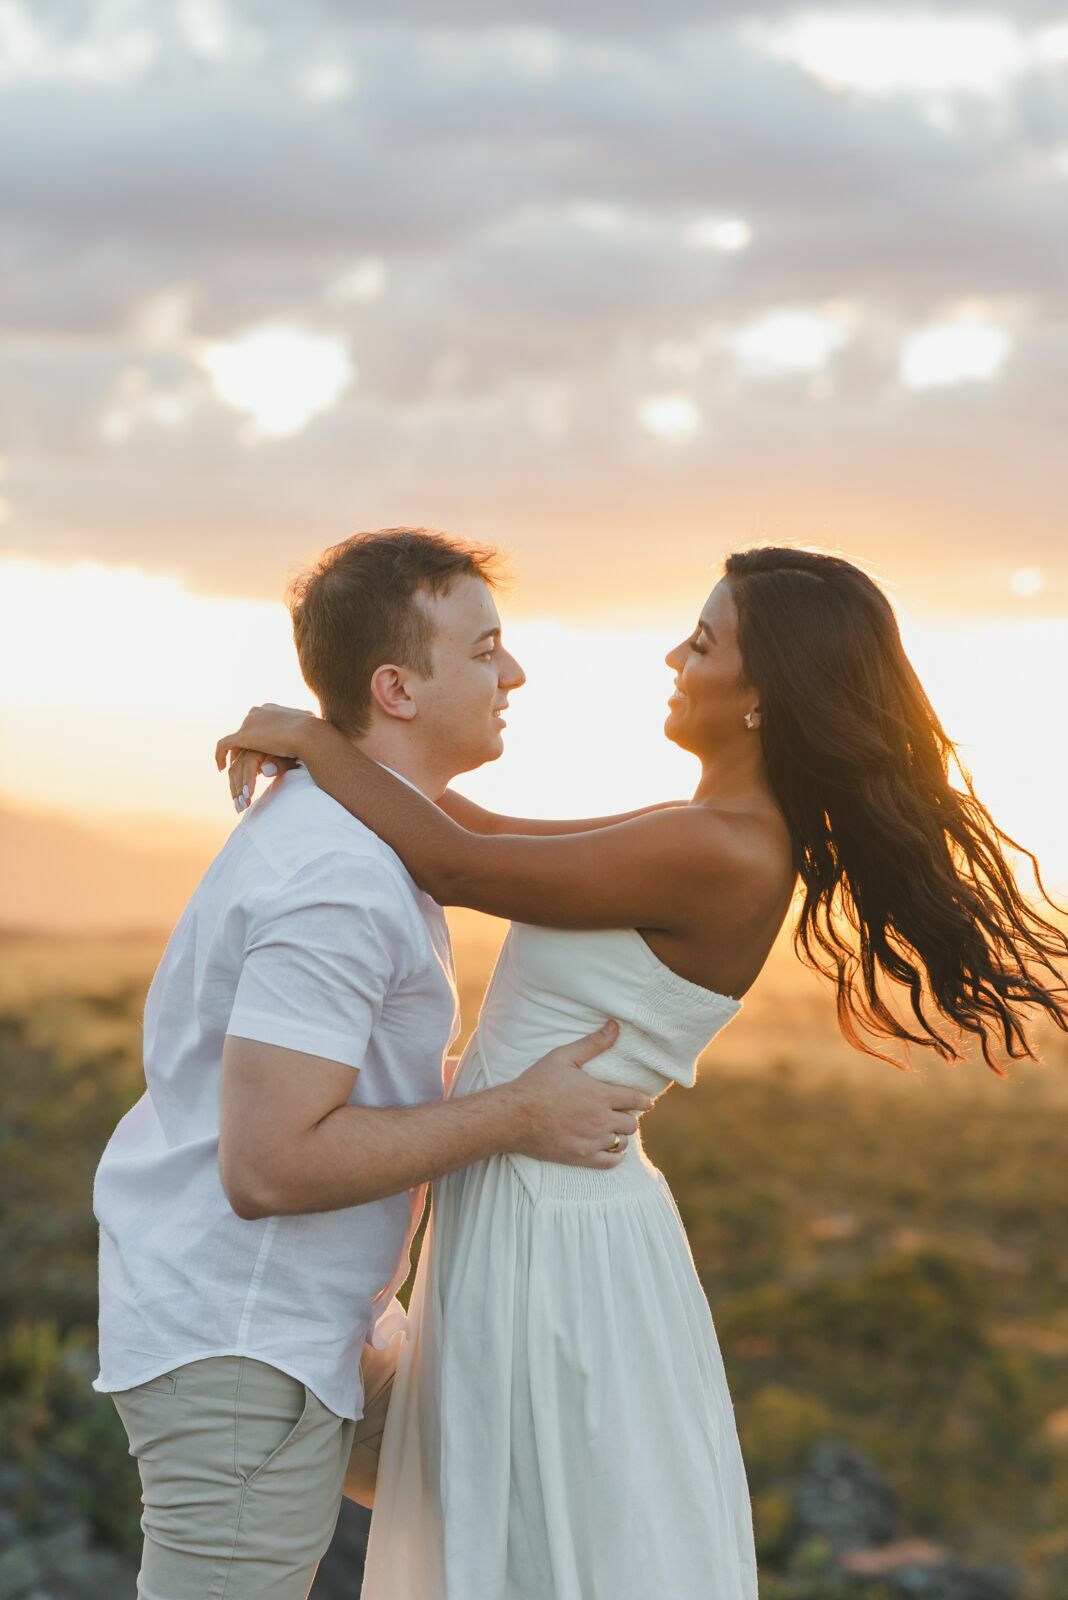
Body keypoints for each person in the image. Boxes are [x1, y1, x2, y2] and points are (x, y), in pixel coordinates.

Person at [220, 544, 1068, 1600]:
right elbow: (469, 828)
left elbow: (453, 864)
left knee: (548, 1546)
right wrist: (341, 756)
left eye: (704, 642)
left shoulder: (729, 850)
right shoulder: (697, 829)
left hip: (558, 1225)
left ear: (764, 698)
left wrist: (308, 733)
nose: (674, 654)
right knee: (526, 1529)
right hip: (538, 1193)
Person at [93, 528, 650, 1600]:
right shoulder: (337, 878)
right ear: (397, 687)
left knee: (545, 1506)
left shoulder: (370, 836)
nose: (515, 672)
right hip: (246, 1348)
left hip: (327, 1325)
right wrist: (520, 1113)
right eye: (486, 649)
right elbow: (268, 1166)